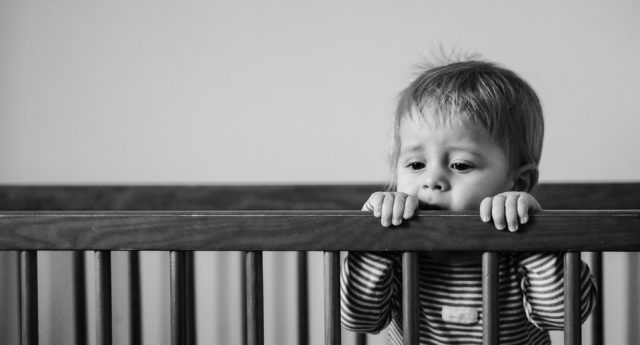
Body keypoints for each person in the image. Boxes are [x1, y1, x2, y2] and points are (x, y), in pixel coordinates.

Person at [340, 58, 597, 345]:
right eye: (415, 165)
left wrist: (534, 236)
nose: (432, 180)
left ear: (519, 182)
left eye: (461, 165)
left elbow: (565, 317)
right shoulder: (399, 245)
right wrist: (375, 237)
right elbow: (360, 320)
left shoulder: (520, 248)